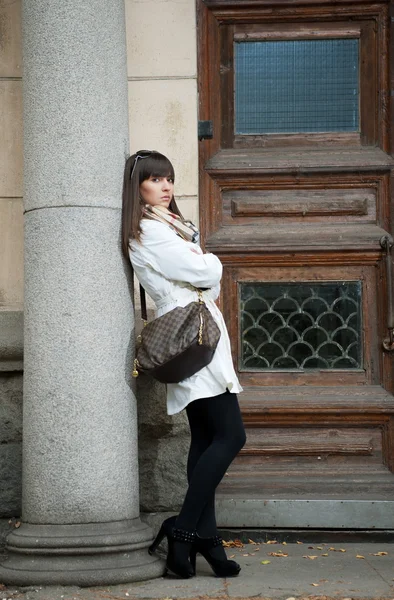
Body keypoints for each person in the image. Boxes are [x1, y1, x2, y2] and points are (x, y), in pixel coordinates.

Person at [121, 150, 246, 579]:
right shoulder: (150, 232)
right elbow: (203, 272)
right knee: (231, 435)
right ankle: (183, 530)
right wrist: (211, 263)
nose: (166, 186)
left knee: (206, 437)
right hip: (191, 336)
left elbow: (202, 280)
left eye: (169, 178)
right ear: (137, 186)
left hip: (199, 332)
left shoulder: (168, 227)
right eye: (155, 179)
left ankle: (205, 540)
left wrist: (203, 270)